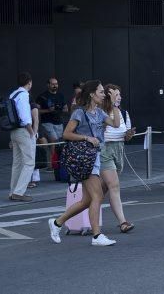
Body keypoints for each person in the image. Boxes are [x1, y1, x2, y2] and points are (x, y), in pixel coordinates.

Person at [47, 80, 124, 246]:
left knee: (87, 201)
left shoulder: (100, 113)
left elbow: (116, 124)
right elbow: (67, 134)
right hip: (84, 158)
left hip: (95, 157)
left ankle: (56, 223)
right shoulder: (79, 113)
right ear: (91, 94)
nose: (104, 94)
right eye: (101, 92)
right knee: (97, 196)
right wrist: (86, 137)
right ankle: (96, 236)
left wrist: (115, 104)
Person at [100, 84, 136, 234]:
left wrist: (129, 134)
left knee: (100, 191)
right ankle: (123, 222)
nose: (119, 97)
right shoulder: (101, 112)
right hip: (105, 150)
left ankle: (76, 216)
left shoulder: (122, 112)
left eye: (119, 95)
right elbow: (102, 131)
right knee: (114, 186)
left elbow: (125, 134)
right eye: (115, 94)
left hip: (119, 149)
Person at [8, 72, 36, 202]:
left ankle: (13, 191)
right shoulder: (24, 95)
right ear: (29, 82)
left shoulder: (13, 94)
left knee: (17, 163)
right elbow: (25, 117)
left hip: (13, 131)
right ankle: (19, 192)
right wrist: (31, 132)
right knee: (29, 162)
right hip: (23, 131)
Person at [36, 77, 68, 174]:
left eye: (56, 84)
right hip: (47, 122)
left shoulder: (61, 96)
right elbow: (37, 110)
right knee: (53, 141)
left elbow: (66, 109)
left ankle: (57, 164)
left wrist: (60, 109)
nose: (55, 86)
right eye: (53, 84)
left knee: (59, 144)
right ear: (48, 85)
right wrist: (48, 110)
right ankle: (52, 165)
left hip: (58, 122)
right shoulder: (42, 96)